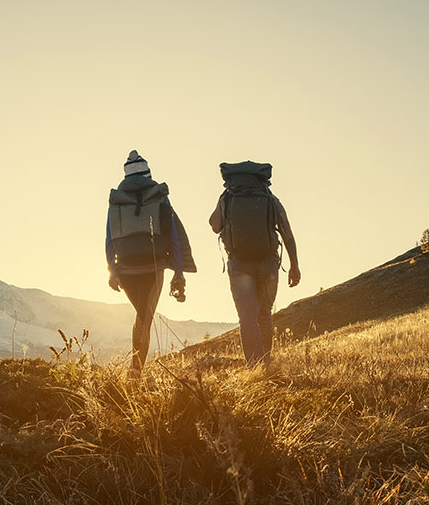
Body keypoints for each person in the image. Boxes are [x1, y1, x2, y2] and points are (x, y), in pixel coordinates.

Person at [104, 150, 195, 373]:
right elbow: (172, 234)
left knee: (142, 315)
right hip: (153, 267)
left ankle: (136, 369)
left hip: (125, 269)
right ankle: (136, 371)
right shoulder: (159, 196)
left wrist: (112, 270)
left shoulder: (117, 200)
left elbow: (109, 237)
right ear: (148, 174)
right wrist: (179, 270)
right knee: (145, 316)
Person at [208, 161, 300, 366]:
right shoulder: (269, 198)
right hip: (268, 263)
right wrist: (294, 265)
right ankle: (265, 364)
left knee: (247, 317)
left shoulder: (227, 197)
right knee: (264, 314)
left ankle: (253, 366)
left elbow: (215, 226)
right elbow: (287, 233)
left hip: (239, 264)